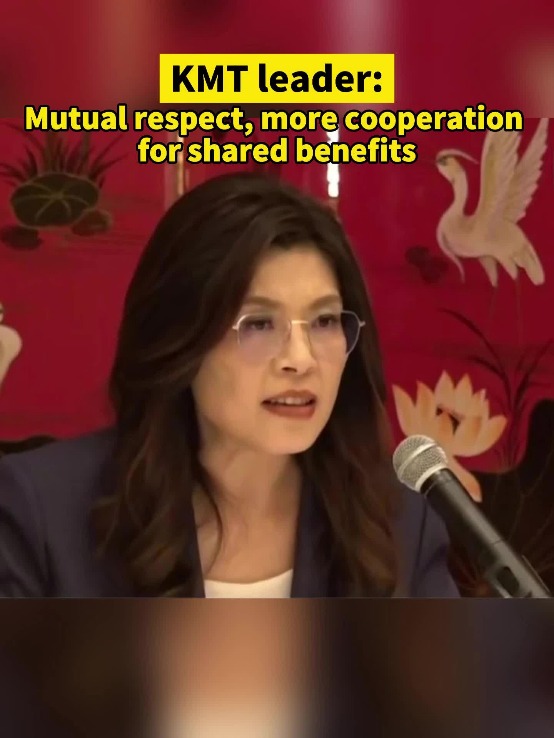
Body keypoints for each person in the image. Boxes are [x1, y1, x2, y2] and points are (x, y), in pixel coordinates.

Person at [0, 172, 458, 598]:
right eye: (258, 324)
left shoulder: (403, 530)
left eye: (324, 321)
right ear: (181, 340)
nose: (301, 360)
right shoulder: (42, 515)